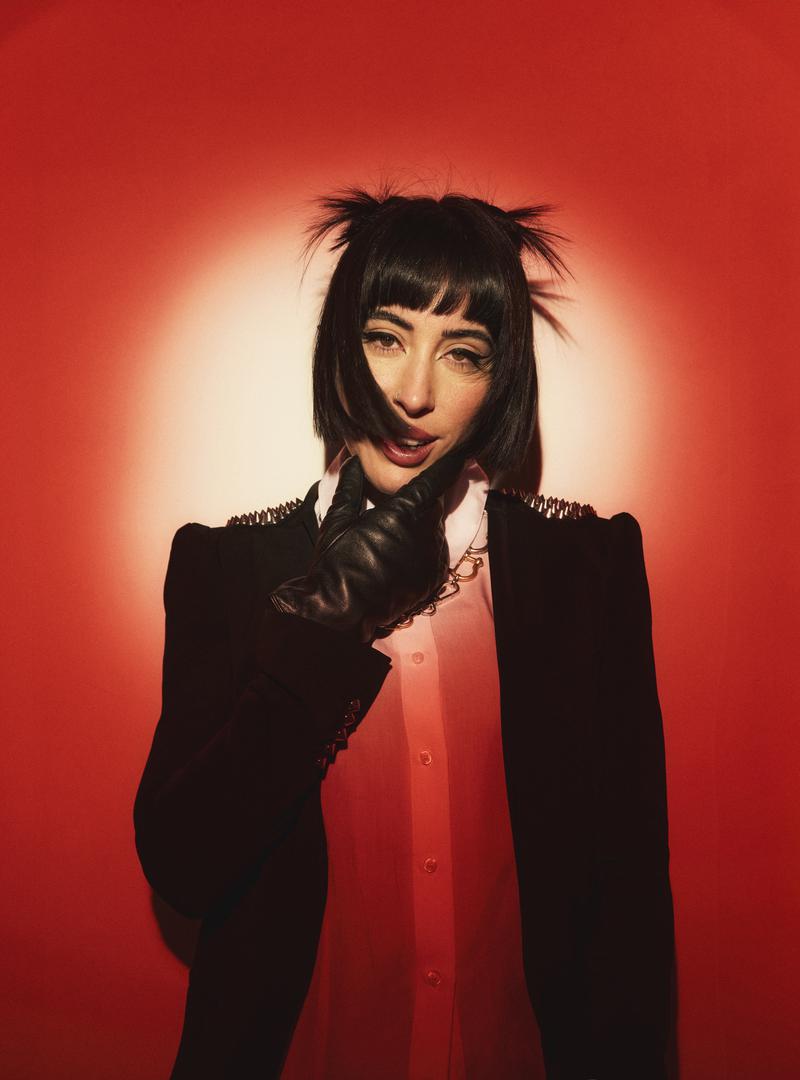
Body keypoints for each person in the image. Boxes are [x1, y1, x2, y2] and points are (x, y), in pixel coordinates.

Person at [133, 187, 675, 1079]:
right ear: (338, 348)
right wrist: (329, 623)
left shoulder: (585, 567)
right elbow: (185, 865)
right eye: (386, 338)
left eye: (462, 353)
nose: (414, 394)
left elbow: (629, 910)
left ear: (501, 379)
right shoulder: (226, 567)